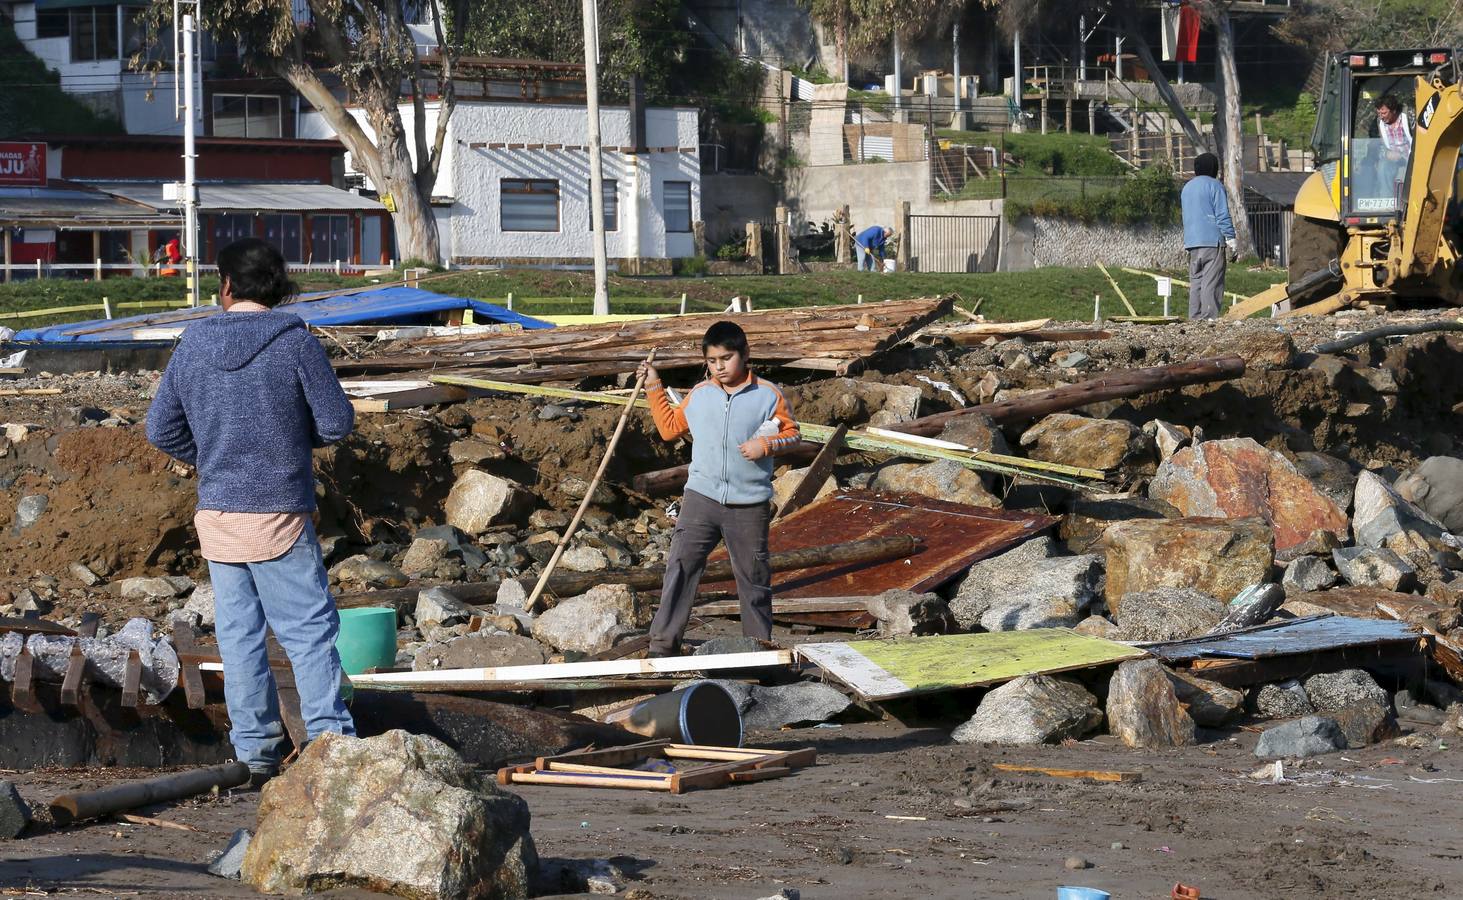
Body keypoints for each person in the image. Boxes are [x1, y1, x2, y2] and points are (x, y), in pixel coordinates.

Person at [146, 237, 356, 786]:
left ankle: (254, 754)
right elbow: (336, 423)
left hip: (219, 513)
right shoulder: (295, 343)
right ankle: (332, 743)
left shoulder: (192, 343)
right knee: (308, 632)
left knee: (239, 637)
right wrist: (288, 444)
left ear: (227, 286)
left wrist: (211, 458)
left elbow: (160, 428)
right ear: (280, 288)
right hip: (280, 511)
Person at [637, 322, 801, 656]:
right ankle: (663, 647)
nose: (720, 367)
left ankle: (757, 652)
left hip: (749, 504)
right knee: (680, 567)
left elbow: (793, 434)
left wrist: (765, 446)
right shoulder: (700, 395)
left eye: (726, 358)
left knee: (753, 578)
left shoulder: (768, 395)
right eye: (712, 360)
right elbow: (669, 429)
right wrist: (654, 387)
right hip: (701, 498)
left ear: (745, 355)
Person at [1180, 152, 1236, 320]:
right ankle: (1208, 318)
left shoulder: (1186, 188)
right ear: (1214, 168)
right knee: (1211, 281)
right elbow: (1222, 214)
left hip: (1192, 242)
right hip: (1212, 241)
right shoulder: (1215, 185)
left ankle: (1194, 318)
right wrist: (1231, 238)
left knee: (1196, 281)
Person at [1375, 95, 1412, 204]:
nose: (1381, 116)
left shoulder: (1408, 117)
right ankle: (1387, 202)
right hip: (1393, 161)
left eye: (1384, 113)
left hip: (1412, 158)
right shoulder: (1379, 123)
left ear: (1394, 110)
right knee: (1383, 167)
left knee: (1408, 175)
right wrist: (1387, 153)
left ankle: (1407, 204)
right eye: (1379, 113)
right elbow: (1377, 144)